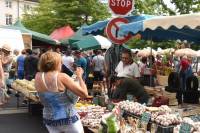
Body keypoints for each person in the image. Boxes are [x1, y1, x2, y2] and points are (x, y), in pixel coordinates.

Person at [35, 51, 88, 133]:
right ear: (56, 63)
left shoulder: (38, 76)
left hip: (49, 118)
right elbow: (84, 94)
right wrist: (80, 77)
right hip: (68, 118)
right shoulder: (61, 76)